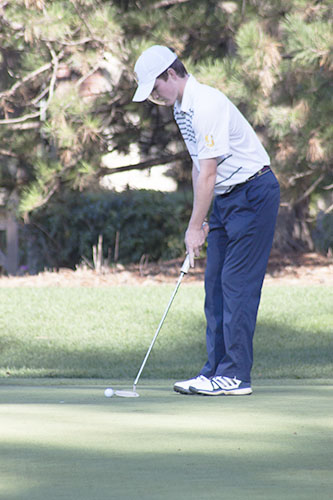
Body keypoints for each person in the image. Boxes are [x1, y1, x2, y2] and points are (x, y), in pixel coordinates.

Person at [132, 45, 280, 396]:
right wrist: (202, 219)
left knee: (236, 285)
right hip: (228, 198)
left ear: (170, 74)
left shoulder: (207, 104)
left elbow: (209, 172)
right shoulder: (182, 109)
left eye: (155, 88)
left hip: (254, 194)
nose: (155, 97)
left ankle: (236, 375)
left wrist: (194, 226)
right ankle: (214, 370)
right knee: (214, 284)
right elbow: (200, 166)